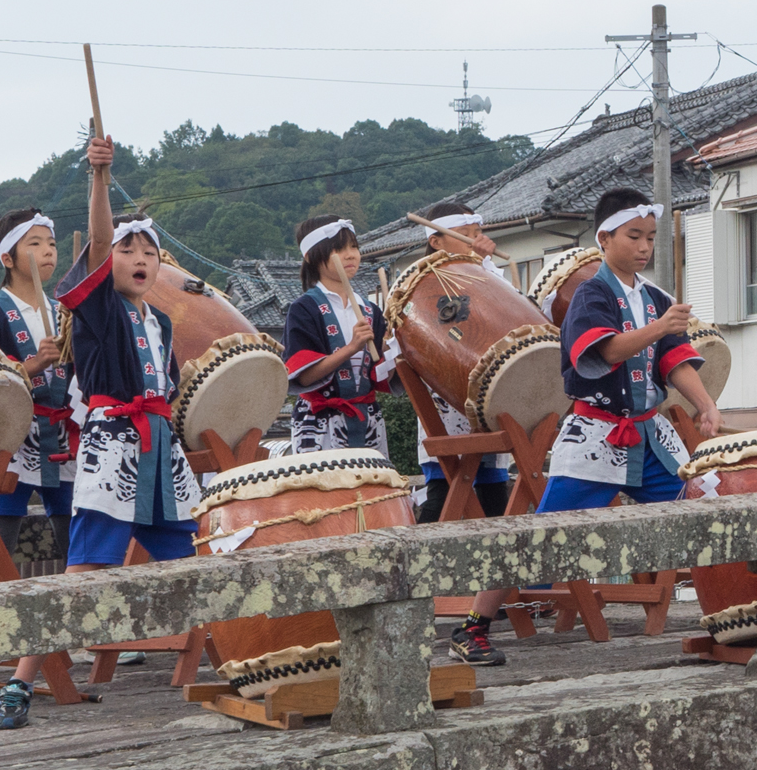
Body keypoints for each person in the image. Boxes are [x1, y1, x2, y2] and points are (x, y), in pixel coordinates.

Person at [0, 135, 203, 727]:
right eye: (126, 249)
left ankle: (250, 660)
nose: (139, 258)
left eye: (150, 252)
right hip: (114, 449)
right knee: (83, 573)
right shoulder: (97, 308)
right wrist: (100, 182)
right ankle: (20, 682)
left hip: (162, 452)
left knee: (198, 561)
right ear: (105, 261)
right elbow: (98, 240)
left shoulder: (159, 320)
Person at [532, 187, 722, 520]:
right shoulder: (590, 295)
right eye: (634, 236)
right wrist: (661, 327)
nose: (644, 247)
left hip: (651, 439)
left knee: (707, 511)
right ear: (604, 238)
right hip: (597, 435)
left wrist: (706, 405)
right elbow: (607, 350)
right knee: (549, 537)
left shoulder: (656, 299)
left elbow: (674, 361)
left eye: (650, 237)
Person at [401, 203, 515, 524]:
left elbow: (511, 314)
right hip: (448, 399)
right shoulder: (427, 282)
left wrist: (483, 265)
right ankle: (418, 568)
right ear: (436, 241)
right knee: (444, 492)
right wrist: (479, 266)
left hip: (489, 396)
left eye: (476, 234)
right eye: (463, 235)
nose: (474, 241)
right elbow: (456, 323)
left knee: (494, 497)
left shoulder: (488, 272)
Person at [0, 208, 74, 575]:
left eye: (51, 243)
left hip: (62, 438)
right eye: (34, 244)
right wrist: (31, 366)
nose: (48, 251)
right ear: (7, 258)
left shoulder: (64, 312)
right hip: (13, 438)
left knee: (76, 537)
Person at [282, 215, 390, 455]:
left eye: (354, 247)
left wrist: (397, 346)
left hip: (367, 418)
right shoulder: (303, 309)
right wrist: (351, 348)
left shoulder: (370, 310)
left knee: (376, 492)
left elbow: (383, 376)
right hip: (320, 422)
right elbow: (305, 378)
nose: (351, 255)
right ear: (311, 256)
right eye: (339, 250)